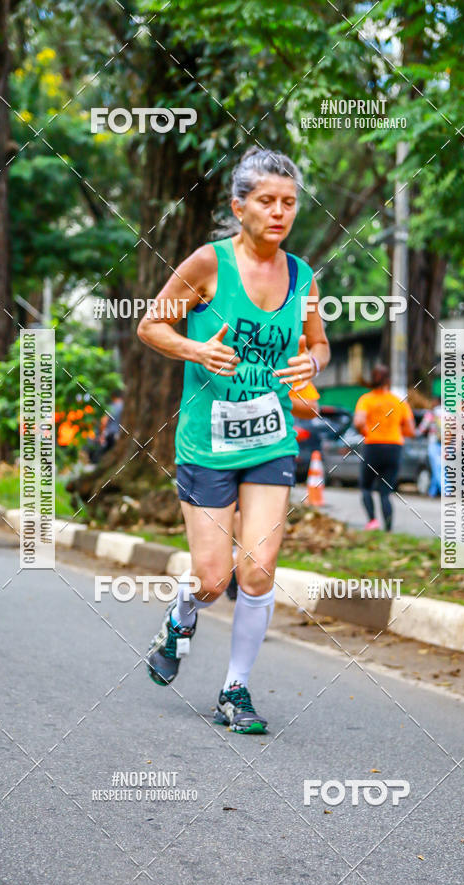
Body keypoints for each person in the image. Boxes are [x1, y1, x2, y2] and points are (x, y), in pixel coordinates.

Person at [137, 148, 330, 734]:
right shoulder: (207, 265)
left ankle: (235, 690)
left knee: (258, 571)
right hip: (207, 441)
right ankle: (181, 616)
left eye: (289, 203)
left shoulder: (303, 277)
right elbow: (150, 324)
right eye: (266, 201)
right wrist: (196, 348)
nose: (279, 213)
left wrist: (311, 366)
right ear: (238, 205)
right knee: (214, 578)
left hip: (271, 438)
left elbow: (319, 344)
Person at [225, 378, 321, 602]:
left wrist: (273, 396)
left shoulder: (287, 352)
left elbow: (311, 407)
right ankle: (237, 575)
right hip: (225, 453)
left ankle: (246, 589)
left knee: (254, 539)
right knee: (239, 526)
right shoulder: (224, 349)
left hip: (269, 455)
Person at [353, 364, 415, 531]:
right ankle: (388, 528)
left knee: (366, 486)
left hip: (373, 446)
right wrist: (395, 431)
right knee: (385, 491)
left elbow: (358, 421)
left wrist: (365, 431)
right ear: (389, 380)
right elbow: (411, 429)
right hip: (394, 447)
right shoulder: (399, 401)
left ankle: (372, 521)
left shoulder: (366, 399)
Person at [416, 396, 444, 497]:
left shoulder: (431, 413)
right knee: (439, 466)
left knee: (437, 468)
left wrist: (414, 434)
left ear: (436, 402)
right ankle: (432, 492)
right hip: (447, 444)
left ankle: (446, 491)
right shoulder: (449, 413)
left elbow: (422, 429)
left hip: (434, 443)